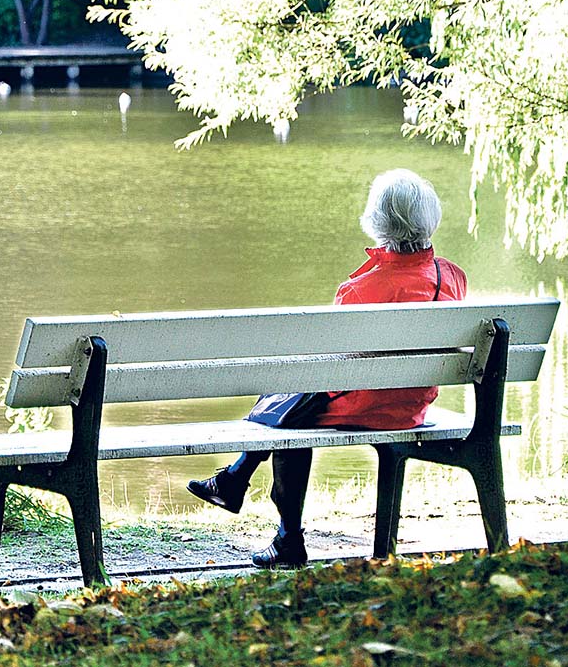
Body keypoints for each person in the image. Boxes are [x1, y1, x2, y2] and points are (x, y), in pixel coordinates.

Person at [186, 168, 468, 569]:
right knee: (295, 394)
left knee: (292, 408)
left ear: (377, 221)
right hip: (411, 405)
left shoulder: (358, 290)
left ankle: (279, 530)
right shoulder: (452, 277)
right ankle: (234, 479)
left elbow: (333, 367)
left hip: (366, 407)